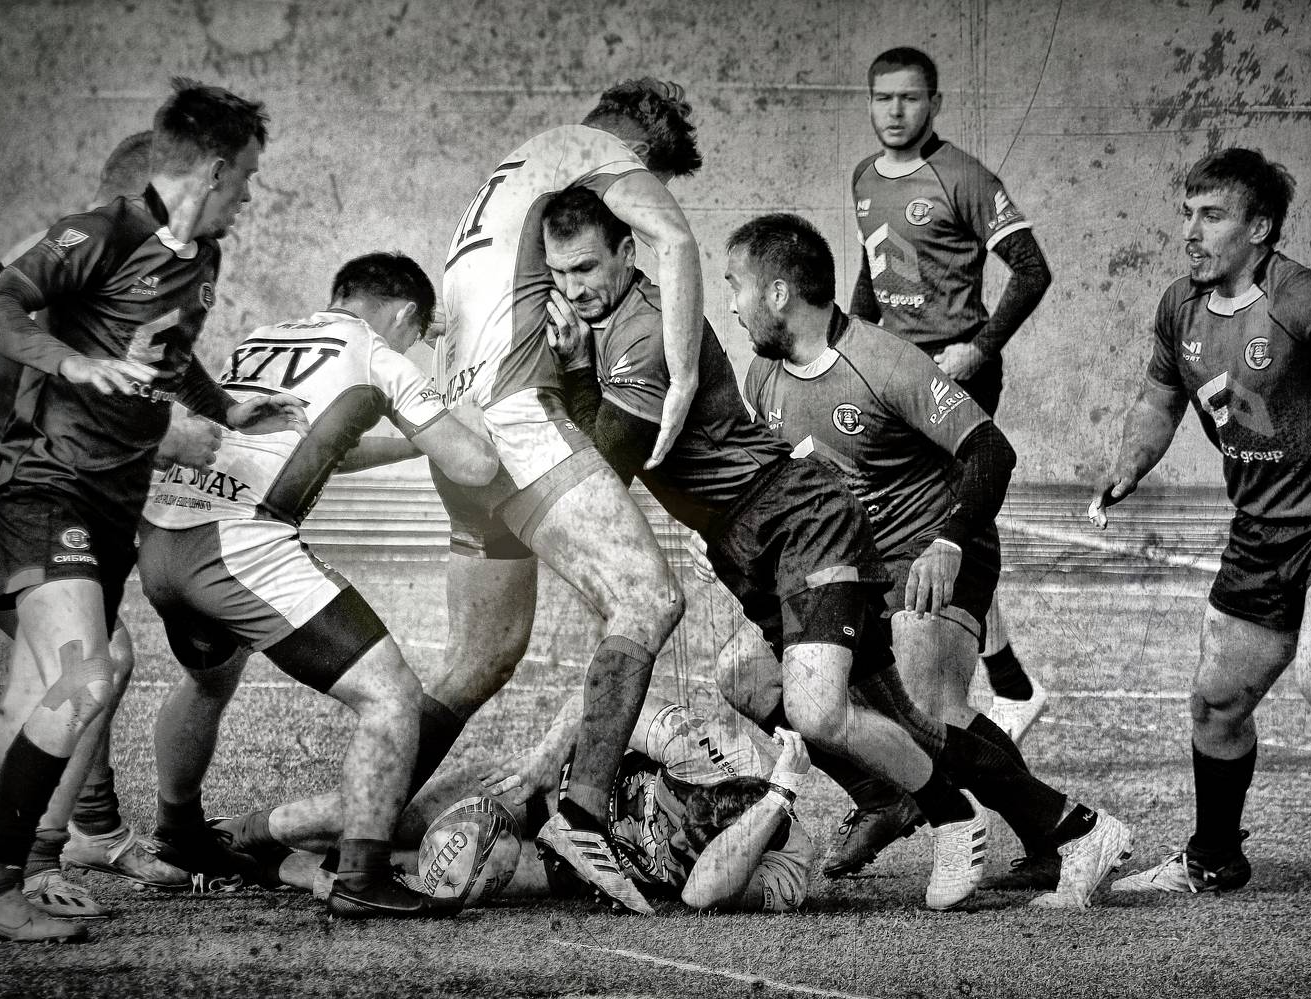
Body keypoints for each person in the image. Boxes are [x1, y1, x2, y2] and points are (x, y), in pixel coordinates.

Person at [540, 190, 1129, 911]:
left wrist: (948, 542)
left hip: (924, 546)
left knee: (907, 708)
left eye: (735, 286)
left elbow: (991, 452)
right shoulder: (763, 372)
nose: (728, 305)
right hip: (822, 549)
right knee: (752, 679)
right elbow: (747, 467)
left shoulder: (882, 361)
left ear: (778, 294)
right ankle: (919, 799)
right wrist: (718, 527)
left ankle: (1008, 821)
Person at [0, 79, 307, 944]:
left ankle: (27, 866)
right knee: (91, 671)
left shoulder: (202, 259)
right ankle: (4, 885)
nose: (251, 195)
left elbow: (167, 355)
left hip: (108, 508)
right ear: (214, 171)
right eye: (246, 177)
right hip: (46, 489)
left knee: (26, 721)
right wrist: (70, 363)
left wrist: (227, 411)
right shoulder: (100, 232)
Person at [1093, 148, 1311, 916]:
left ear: (1259, 228)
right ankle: (1215, 858)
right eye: (1187, 213)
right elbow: (1158, 399)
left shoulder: (1301, 296)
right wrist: (1129, 465)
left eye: (1212, 216)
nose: (1191, 231)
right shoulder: (1180, 306)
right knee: (1216, 704)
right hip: (1259, 532)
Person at [416, 78, 706, 914]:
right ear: (631, 144)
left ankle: (349, 826)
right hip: (515, 417)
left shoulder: (507, 183)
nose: (637, 193)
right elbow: (676, 239)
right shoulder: (587, 150)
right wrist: (685, 375)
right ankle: (580, 821)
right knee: (647, 596)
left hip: (461, 433)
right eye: (647, 173)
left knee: (480, 658)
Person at [137, 252, 498, 919]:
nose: (412, 348)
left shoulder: (265, 338)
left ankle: (180, 834)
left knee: (209, 680)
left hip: (162, 538)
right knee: (392, 694)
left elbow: (316, 445)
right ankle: (361, 875)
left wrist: (410, 443)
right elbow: (473, 464)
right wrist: (466, 418)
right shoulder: (377, 353)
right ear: (406, 315)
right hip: (236, 545)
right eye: (416, 336)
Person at [0, 132, 204, 920]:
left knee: (26, 716)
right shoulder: (94, 259)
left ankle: (82, 829)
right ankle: (37, 858)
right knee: (97, 660)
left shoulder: (62, 249)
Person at [849, 46, 1052, 759]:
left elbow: (1031, 269)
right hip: (892, 372)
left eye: (909, 98)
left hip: (954, 370)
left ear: (935, 103)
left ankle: (991, 686)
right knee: (918, 523)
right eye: (883, 98)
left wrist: (980, 349)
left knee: (947, 525)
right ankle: (1008, 679)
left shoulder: (964, 176)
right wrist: (854, 344)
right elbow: (873, 267)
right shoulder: (865, 176)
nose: (895, 111)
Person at [227, 695, 814, 914]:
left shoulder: (787, 870)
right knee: (383, 820)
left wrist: (778, 799)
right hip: (550, 792)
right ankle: (234, 832)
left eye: (696, 839)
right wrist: (541, 762)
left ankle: (260, 867)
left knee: (439, 875)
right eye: (684, 809)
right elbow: (596, 700)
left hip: (577, 869)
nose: (680, 831)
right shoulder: (707, 747)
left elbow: (700, 894)